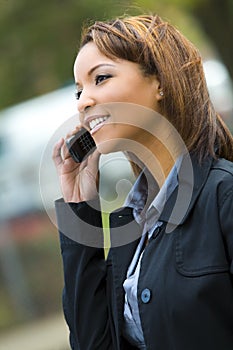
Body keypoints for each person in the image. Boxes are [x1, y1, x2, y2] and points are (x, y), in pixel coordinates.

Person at [52, 13, 233, 350]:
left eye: (101, 78)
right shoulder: (132, 227)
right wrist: (79, 206)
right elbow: (92, 343)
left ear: (160, 81)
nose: (84, 102)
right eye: (78, 91)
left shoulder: (224, 196)